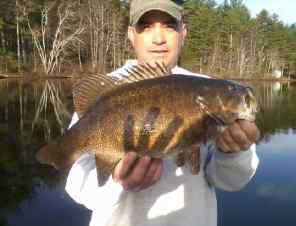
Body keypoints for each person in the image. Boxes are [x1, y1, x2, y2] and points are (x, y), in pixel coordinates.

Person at [65, 1, 260, 226]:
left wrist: (232, 153)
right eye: (146, 26)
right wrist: (116, 182)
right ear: (131, 34)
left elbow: (232, 181)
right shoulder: (109, 94)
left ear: (183, 32)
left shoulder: (207, 89)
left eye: (169, 25)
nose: (158, 38)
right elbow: (77, 186)